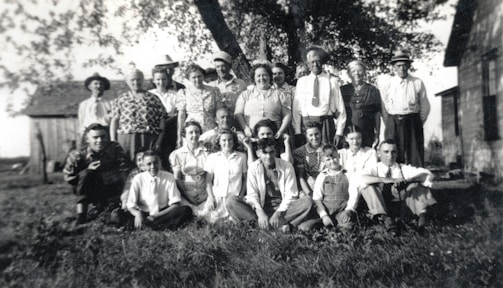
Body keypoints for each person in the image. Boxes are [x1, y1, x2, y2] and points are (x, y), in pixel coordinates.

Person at [226, 138, 313, 231]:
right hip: (261, 208)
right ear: (258, 153)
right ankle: (277, 227)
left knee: (307, 201)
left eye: (271, 152)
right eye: (265, 153)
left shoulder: (287, 166)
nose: (269, 156)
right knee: (230, 201)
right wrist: (260, 213)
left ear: (275, 152)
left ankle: (263, 228)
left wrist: (278, 213)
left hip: (283, 210)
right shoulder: (253, 167)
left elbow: (291, 195)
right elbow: (252, 194)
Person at [360, 140, 437, 234]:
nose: (390, 156)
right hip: (382, 208)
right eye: (386, 152)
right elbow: (362, 178)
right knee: (368, 186)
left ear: (397, 154)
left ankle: (423, 222)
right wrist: (388, 180)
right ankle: (386, 221)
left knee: (416, 184)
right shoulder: (374, 168)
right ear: (379, 153)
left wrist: (407, 181)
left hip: (402, 207)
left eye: (393, 152)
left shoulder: (403, 168)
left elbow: (428, 175)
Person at [63, 123, 133, 225]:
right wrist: (86, 171)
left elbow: (125, 169)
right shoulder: (78, 154)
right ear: (87, 139)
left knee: (117, 218)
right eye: (95, 137)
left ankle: (107, 208)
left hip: (112, 187)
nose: (100, 141)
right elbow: (68, 177)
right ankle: (81, 215)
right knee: (87, 173)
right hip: (88, 189)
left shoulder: (115, 148)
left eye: (103, 137)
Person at [378, 48, 430, 167]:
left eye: (405, 65)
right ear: (394, 67)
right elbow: (384, 107)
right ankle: (394, 182)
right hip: (393, 121)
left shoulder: (417, 82)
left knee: (415, 153)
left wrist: (417, 122)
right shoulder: (388, 83)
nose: (402, 68)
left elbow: (424, 105)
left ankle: (416, 183)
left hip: (413, 120)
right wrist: (389, 123)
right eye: (399, 65)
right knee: (393, 152)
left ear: (409, 66)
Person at [293, 46, 347, 147]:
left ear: (322, 62)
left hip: (326, 123)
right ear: (308, 64)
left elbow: (341, 108)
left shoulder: (332, 81)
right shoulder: (302, 82)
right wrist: (297, 131)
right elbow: (296, 109)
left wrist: (339, 132)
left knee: (326, 153)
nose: (315, 64)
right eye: (312, 62)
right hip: (308, 123)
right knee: (309, 155)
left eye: (318, 61)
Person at [110, 68, 167, 161]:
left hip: (147, 137)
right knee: (125, 163)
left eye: (138, 79)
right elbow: (114, 120)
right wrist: (113, 140)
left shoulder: (153, 98)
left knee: (146, 163)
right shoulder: (121, 99)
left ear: (142, 80)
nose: (136, 82)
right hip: (125, 138)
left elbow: (161, 120)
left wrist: (158, 141)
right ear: (127, 81)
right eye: (132, 80)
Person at [126, 151, 193, 230]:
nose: (153, 166)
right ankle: (156, 226)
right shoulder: (138, 178)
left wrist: (156, 215)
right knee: (121, 215)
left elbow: (175, 204)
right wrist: (137, 214)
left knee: (186, 210)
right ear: (143, 165)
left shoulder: (169, 177)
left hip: (162, 214)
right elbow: (130, 205)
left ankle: (149, 227)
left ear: (160, 162)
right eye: (149, 164)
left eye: (155, 163)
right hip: (145, 213)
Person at [298, 145, 357, 231]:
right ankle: (325, 228)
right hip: (326, 212)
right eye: (328, 160)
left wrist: (349, 210)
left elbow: (354, 194)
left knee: (347, 227)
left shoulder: (348, 174)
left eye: (334, 158)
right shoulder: (322, 176)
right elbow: (317, 199)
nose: (332, 161)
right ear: (323, 161)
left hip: (342, 211)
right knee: (304, 228)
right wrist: (324, 215)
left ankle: (337, 230)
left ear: (339, 156)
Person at [234, 63, 291, 140]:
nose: (262, 78)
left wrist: (280, 131)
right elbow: (238, 114)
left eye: (264, 75)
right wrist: (245, 128)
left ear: (269, 77)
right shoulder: (245, 95)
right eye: (258, 76)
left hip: (274, 137)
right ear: (254, 78)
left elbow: (287, 115)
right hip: (252, 137)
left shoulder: (279, 94)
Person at [204, 129, 247, 223]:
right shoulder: (212, 157)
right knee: (212, 223)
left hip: (234, 198)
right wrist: (211, 198)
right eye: (224, 140)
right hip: (217, 198)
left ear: (234, 141)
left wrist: (241, 196)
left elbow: (245, 179)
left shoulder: (241, 156)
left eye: (230, 139)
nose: (227, 142)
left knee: (237, 224)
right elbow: (208, 181)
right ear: (219, 142)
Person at [149, 62, 184, 170]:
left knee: (170, 156)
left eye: (163, 79)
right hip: (155, 129)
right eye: (158, 79)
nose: (161, 82)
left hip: (170, 129)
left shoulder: (174, 94)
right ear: (154, 80)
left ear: (167, 80)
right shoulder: (149, 94)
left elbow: (179, 113)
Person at [170, 120, 209, 216]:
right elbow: (177, 178)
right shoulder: (177, 154)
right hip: (186, 194)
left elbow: (210, 177)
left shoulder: (207, 152)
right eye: (191, 132)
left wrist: (207, 196)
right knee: (187, 214)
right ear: (184, 135)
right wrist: (188, 196)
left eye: (197, 132)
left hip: (204, 195)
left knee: (209, 217)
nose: (194, 135)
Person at [176, 63, 221, 147]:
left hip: (210, 129)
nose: (197, 79)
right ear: (189, 78)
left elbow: (220, 111)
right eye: (194, 77)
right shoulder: (184, 92)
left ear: (203, 76)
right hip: (192, 131)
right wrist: (179, 135)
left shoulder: (214, 91)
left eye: (199, 76)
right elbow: (181, 115)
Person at [340, 60, 382, 148]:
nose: (357, 73)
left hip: (367, 131)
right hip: (348, 132)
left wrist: (377, 134)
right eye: (353, 71)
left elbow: (377, 114)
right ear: (348, 74)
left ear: (364, 72)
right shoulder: (342, 90)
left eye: (360, 70)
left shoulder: (372, 90)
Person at [78, 73, 114, 148]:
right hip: (89, 133)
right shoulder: (84, 104)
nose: (98, 86)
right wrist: (82, 136)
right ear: (90, 86)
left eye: (101, 84)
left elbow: (113, 121)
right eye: (95, 84)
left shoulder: (110, 103)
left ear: (104, 87)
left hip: (105, 134)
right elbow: (81, 122)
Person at [293, 121, 325, 197]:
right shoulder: (300, 152)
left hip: (326, 184)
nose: (314, 138)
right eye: (311, 135)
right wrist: (309, 194)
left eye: (317, 134)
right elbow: (301, 177)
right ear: (306, 136)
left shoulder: (328, 149)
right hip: (308, 186)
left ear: (321, 133)